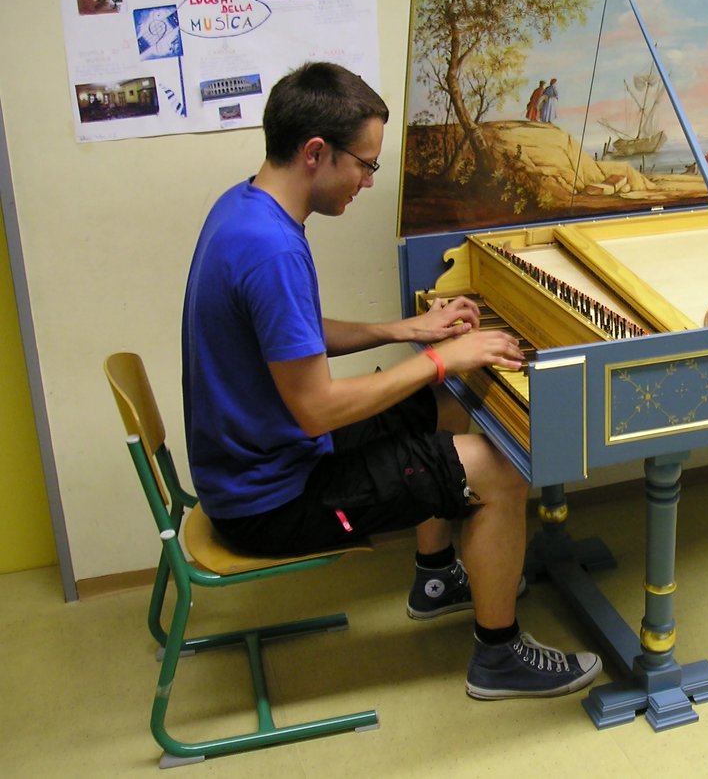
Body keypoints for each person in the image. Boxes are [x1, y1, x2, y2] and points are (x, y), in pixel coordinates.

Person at [181, 62, 600, 700]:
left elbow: (290, 330)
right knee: (504, 466)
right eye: (365, 164)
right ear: (316, 152)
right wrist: (441, 359)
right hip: (273, 499)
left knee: (441, 404)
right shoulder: (273, 249)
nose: (368, 181)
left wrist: (402, 330)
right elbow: (317, 410)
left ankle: (436, 578)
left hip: (257, 466)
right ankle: (498, 657)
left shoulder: (244, 209)